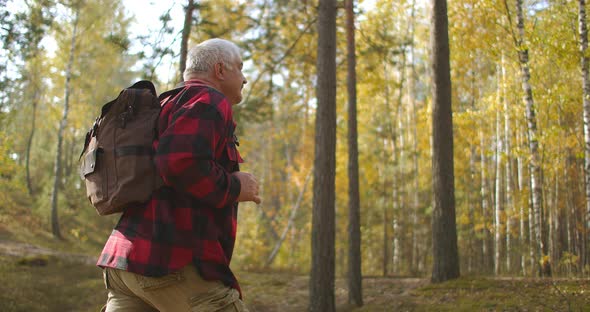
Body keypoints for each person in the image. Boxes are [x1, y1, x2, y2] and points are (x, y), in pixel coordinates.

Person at [98, 38, 260, 312]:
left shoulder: (167, 103)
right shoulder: (209, 99)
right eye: (240, 69)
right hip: (169, 263)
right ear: (220, 70)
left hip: (124, 264)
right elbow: (178, 161)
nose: (244, 79)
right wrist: (235, 187)